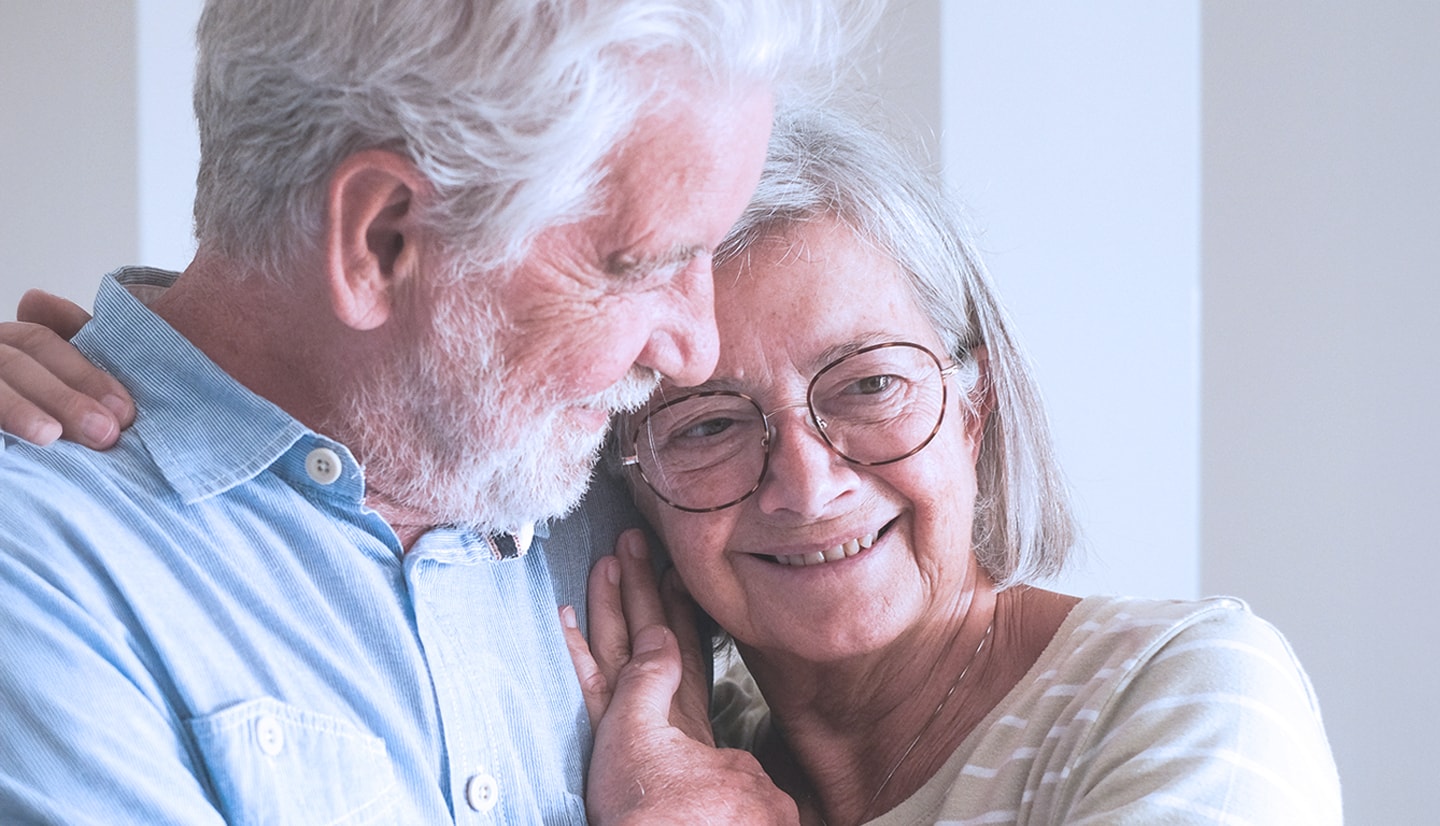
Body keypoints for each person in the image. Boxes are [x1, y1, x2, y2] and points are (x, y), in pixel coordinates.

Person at [0, 1, 870, 823]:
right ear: (381, 242)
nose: (694, 352)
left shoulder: (629, 475)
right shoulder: (42, 571)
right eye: (641, 266)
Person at [562, 104, 1345, 825]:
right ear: (639, 489)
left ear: (974, 409)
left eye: (870, 385)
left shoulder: (1191, 692)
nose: (806, 486)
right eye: (709, 426)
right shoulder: (669, 752)